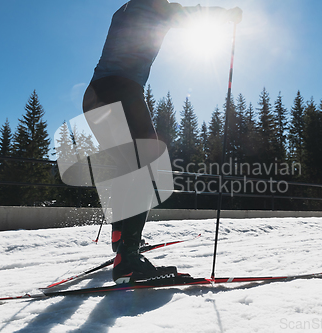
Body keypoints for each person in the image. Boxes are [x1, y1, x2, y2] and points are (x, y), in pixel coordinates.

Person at [82, 0, 242, 284]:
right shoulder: (157, 6)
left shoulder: (123, 9)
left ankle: (121, 241)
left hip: (95, 96)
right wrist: (226, 15)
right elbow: (193, 16)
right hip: (122, 92)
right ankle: (128, 261)